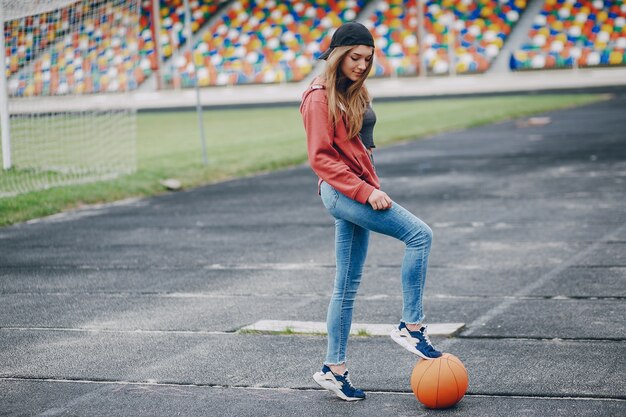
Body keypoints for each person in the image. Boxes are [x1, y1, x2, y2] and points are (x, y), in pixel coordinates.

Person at [299, 22, 442, 402]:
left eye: (367, 58)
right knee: (419, 235)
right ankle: (411, 326)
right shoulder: (318, 97)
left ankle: (334, 368)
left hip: (358, 190)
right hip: (341, 192)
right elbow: (321, 158)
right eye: (354, 57)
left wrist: (373, 186)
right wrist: (365, 192)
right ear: (337, 56)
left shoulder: (353, 93)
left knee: (345, 286)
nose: (361, 64)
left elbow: (363, 151)